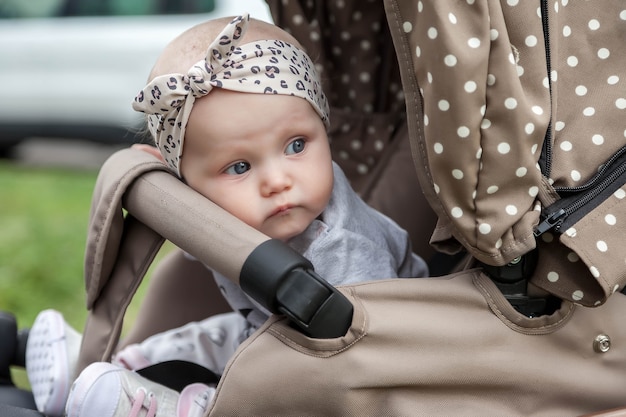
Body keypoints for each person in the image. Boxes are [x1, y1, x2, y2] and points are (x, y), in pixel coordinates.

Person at [25, 14, 429, 417]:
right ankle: (105, 370)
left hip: (343, 361)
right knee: (201, 338)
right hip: (270, 327)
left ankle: (201, 408)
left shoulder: (343, 250)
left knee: (252, 366)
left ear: (323, 127)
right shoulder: (230, 207)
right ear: (185, 184)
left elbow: (356, 363)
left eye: (296, 145)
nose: (277, 180)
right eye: (239, 167)